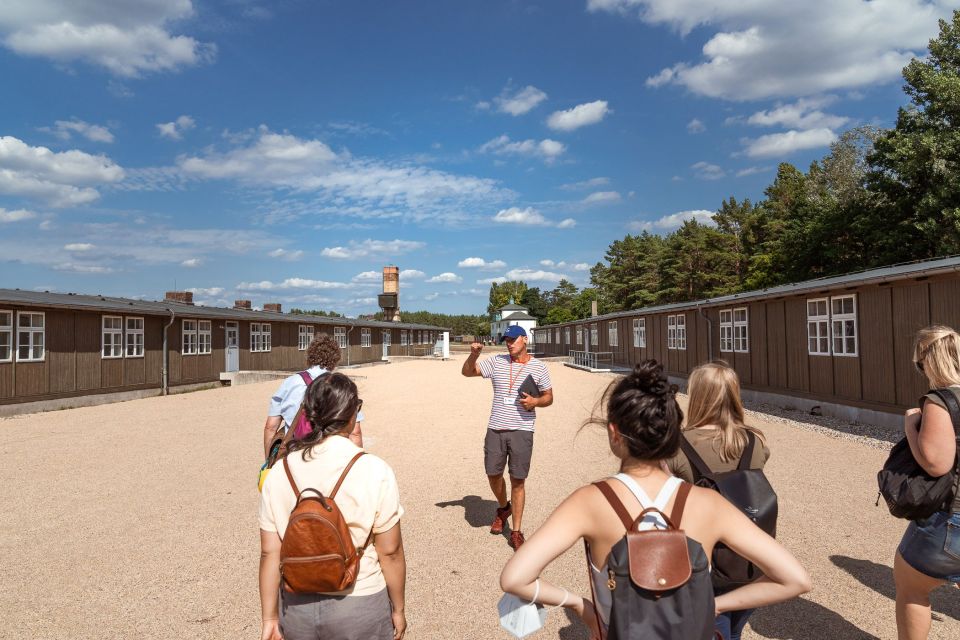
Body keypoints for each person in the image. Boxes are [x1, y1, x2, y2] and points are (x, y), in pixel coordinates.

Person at [500, 360, 810, 639]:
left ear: (614, 433)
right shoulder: (709, 504)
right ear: (674, 432)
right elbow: (795, 579)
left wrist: (580, 605)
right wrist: (714, 605)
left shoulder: (590, 501)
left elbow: (515, 578)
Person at [258, 373, 406, 640]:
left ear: (309, 414)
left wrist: (269, 617)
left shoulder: (281, 472)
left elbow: (270, 553)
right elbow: (391, 551)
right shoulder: (374, 469)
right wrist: (398, 607)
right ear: (352, 414)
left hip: (296, 604)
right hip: (359, 599)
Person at [666, 361, 770, 640]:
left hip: (704, 560)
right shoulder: (754, 442)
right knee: (735, 628)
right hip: (748, 557)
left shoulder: (678, 445)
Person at [461, 325, 553, 549]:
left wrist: (535, 402)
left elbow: (549, 397)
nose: (509, 344)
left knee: (518, 480)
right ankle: (504, 507)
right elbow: (467, 372)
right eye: (506, 340)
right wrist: (474, 354)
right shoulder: (497, 361)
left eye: (513, 339)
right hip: (496, 427)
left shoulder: (539, 367)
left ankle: (516, 531)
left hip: (522, 429)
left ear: (525, 339)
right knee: (493, 474)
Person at [895, 326, 960, 640]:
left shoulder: (940, 402)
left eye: (919, 365)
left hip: (951, 516)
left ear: (929, 363)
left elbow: (936, 463)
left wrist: (911, 427)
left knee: (911, 588)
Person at [262, 332, 362, 458]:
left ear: (309, 357)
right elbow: (355, 433)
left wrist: (268, 463)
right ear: (336, 359)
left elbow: (270, 427)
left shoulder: (289, 383)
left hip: (294, 456)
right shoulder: (341, 387)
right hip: (331, 458)